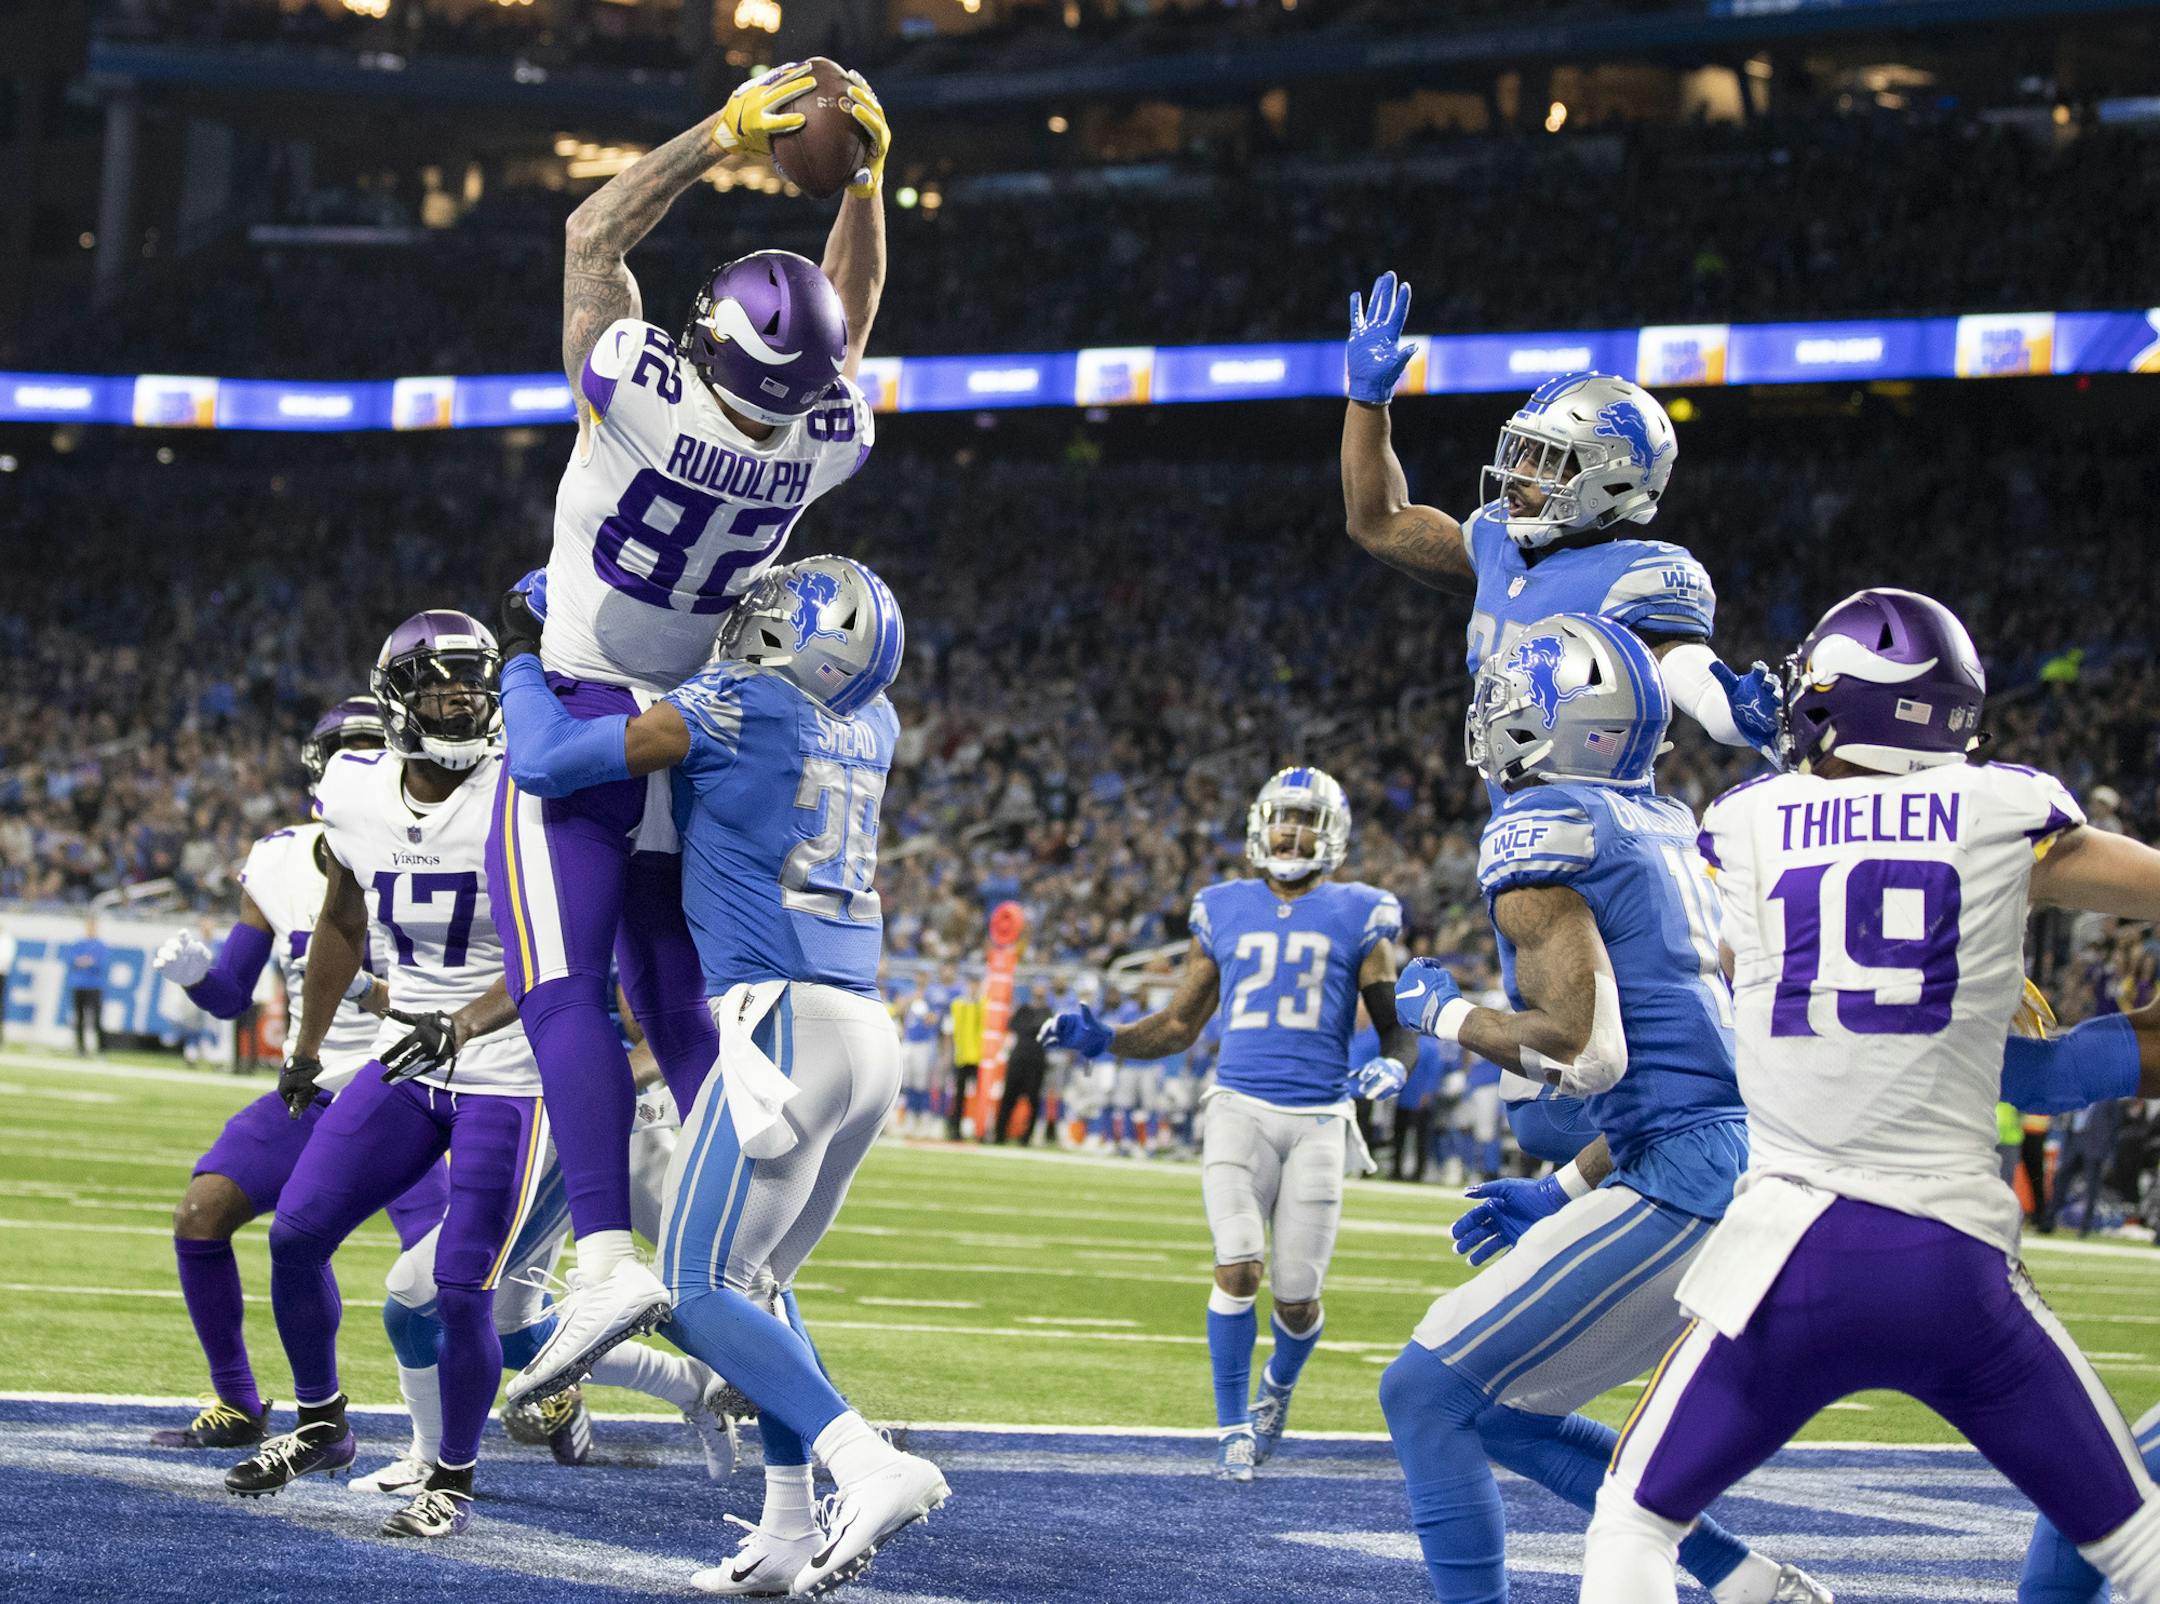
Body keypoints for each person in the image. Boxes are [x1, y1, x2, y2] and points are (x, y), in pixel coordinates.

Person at [1581, 588, 2160, 1602]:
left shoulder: (1746, 820)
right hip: (1951, 1261)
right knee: (2133, 1541)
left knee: (1634, 1520)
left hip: (1786, 1259)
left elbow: (1763, 943)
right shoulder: (2005, 807)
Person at [490, 59, 894, 1400]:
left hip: (594, 688)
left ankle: (606, 1256)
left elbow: (590, 237)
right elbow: (861, 315)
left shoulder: (639, 383)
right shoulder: (822, 438)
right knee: (674, 982)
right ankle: (755, 1263)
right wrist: (871, 185)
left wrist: (719, 138)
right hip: (700, 717)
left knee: (565, 986)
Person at [491, 555, 947, 1595]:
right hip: (862, 1029)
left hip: (779, 1022)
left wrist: (525, 655)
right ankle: (788, 1531)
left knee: (696, 1290)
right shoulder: (870, 724)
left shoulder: (740, 701)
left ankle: (869, 1461)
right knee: (759, 1284)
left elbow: (553, 760)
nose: (751, 616)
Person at [1381, 613, 1826, 1604]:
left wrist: (1443, 1011)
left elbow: (1585, 1049)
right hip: (1740, 1161)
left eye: (1517, 701)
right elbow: (1695, 1050)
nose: (1495, 715)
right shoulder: (1665, 824)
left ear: (1569, 723)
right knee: (1500, 1410)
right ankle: (1745, 1577)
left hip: (1687, 1178)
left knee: (1422, 1392)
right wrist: (1565, 1184)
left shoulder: (1546, 829)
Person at [223, 611, 544, 1543]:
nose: (462, 699)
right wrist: (305, 1048)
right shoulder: (357, 789)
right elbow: (341, 922)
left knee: (459, 1284)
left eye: (473, 685)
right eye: (441, 685)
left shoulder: (520, 790)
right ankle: (321, 1425)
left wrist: (467, 1022)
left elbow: (557, 944)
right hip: (409, 1055)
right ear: (396, 700)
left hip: (504, 1067)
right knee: (296, 1235)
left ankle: (452, 1476)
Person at [1040, 766, 1419, 1480]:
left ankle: (1278, 1387)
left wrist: (1395, 1068)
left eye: (1306, 821)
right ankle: (1231, 1427)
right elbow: (1182, 1022)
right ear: (1259, 824)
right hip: (1238, 1106)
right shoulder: (1222, 906)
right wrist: (1107, 1038)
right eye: (1283, 818)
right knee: (1240, 1261)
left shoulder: (1362, 912)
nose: (1291, 832)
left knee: (1298, 1297)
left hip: (1318, 1119)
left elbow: (1398, 1029)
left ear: (1330, 833)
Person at [148, 695, 451, 1452]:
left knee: (447, 1277)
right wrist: (194, 977)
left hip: (406, 1087)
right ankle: (241, 1404)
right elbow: (228, 997)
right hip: (310, 1091)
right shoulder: (278, 859)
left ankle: (544, 1389)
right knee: (202, 1214)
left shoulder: (440, 841)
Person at [998, 984, 1052, 1145]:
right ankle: (1000, 1133)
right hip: (1018, 1058)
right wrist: (1033, 1027)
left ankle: (1026, 1137)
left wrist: (1030, 1027)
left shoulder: (1047, 1012)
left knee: (1033, 1100)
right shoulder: (1023, 1009)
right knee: (1008, 1098)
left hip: (1036, 1061)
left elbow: (1044, 1029)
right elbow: (1013, 1025)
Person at [64, 916, 109, 1056]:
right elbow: (70, 960)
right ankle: (81, 1048)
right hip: (79, 985)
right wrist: (84, 961)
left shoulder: (101, 946)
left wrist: (87, 962)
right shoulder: (78, 944)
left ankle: (101, 1049)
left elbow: (102, 964)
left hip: (94, 986)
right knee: (79, 1019)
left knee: (97, 1019)